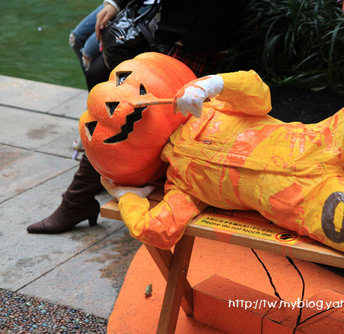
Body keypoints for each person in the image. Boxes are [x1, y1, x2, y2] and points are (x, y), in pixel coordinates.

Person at [79, 60, 344, 271]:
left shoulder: (210, 108)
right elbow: (157, 229)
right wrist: (128, 196)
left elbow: (259, 96)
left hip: (324, 141)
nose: (116, 104)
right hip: (313, 203)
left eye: (121, 83)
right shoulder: (180, 186)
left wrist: (213, 84)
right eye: (101, 120)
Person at [27, 0, 245, 234]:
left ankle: (77, 200)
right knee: (101, 74)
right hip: (170, 33)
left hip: (195, 44)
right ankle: (93, 185)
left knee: (122, 116)